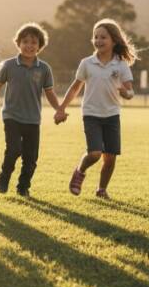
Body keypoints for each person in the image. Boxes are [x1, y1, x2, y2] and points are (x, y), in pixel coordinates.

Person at [58, 19, 139, 199]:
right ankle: (80, 171)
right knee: (94, 153)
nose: (98, 40)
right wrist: (61, 108)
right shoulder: (87, 63)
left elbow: (130, 91)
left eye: (103, 37)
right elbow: (75, 87)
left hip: (111, 115)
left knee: (110, 158)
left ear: (114, 41)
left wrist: (125, 93)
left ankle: (101, 190)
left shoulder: (121, 65)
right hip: (91, 114)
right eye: (96, 37)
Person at [0, 22, 65, 197]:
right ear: (18, 43)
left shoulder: (44, 68)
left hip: (32, 119)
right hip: (12, 116)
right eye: (25, 41)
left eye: (33, 42)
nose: (29, 46)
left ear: (39, 46)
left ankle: (23, 187)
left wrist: (59, 109)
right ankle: (4, 176)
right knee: (14, 149)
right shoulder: (8, 65)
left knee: (31, 158)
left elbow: (50, 92)